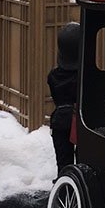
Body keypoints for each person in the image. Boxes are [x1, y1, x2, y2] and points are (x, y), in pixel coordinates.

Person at [47, 22, 80, 174]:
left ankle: (63, 186)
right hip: (81, 120)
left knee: (63, 162)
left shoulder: (53, 76)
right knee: (84, 161)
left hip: (60, 120)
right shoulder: (84, 77)